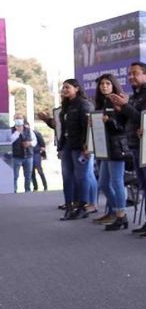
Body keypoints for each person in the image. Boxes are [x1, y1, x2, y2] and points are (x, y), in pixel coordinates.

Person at [108, 61, 146, 237]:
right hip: (134, 145)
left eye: (135, 73)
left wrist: (125, 106)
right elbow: (126, 122)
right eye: (129, 74)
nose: (131, 77)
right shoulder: (133, 95)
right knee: (145, 186)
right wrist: (119, 110)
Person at [37, 79, 97, 220]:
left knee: (82, 177)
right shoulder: (66, 106)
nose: (64, 90)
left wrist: (86, 146)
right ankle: (69, 206)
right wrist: (47, 121)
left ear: (76, 88)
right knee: (67, 177)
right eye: (63, 88)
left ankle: (82, 207)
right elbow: (61, 128)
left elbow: (88, 128)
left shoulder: (84, 104)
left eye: (67, 87)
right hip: (67, 146)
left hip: (80, 147)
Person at [90, 73, 131, 230]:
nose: (104, 86)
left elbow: (123, 127)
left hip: (116, 148)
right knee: (103, 184)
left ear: (113, 85)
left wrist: (109, 121)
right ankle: (116, 212)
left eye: (107, 83)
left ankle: (121, 215)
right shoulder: (100, 103)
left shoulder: (119, 101)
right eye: (102, 84)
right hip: (104, 148)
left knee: (116, 182)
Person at [10, 113, 34, 192]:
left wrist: (29, 143)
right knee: (14, 176)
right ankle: (14, 191)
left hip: (28, 156)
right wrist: (17, 132)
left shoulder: (28, 129)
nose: (18, 120)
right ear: (14, 120)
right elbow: (9, 141)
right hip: (16, 156)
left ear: (23, 119)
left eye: (20, 118)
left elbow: (34, 141)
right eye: (16, 118)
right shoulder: (11, 130)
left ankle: (27, 191)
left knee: (28, 176)